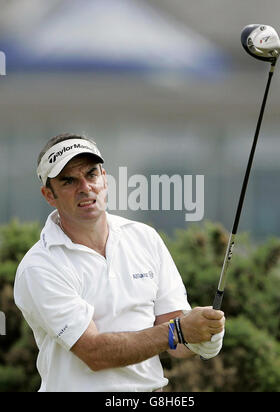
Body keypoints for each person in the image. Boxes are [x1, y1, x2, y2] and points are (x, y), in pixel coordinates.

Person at [14, 133, 225, 392]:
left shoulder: (144, 238)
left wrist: (203, 336)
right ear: (49, 194)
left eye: (91, 174)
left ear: (105, 178)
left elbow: (175, 336)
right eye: (68, 180)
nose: (84, 187)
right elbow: (95, 353)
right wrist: (178, 331)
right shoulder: (40, 266)